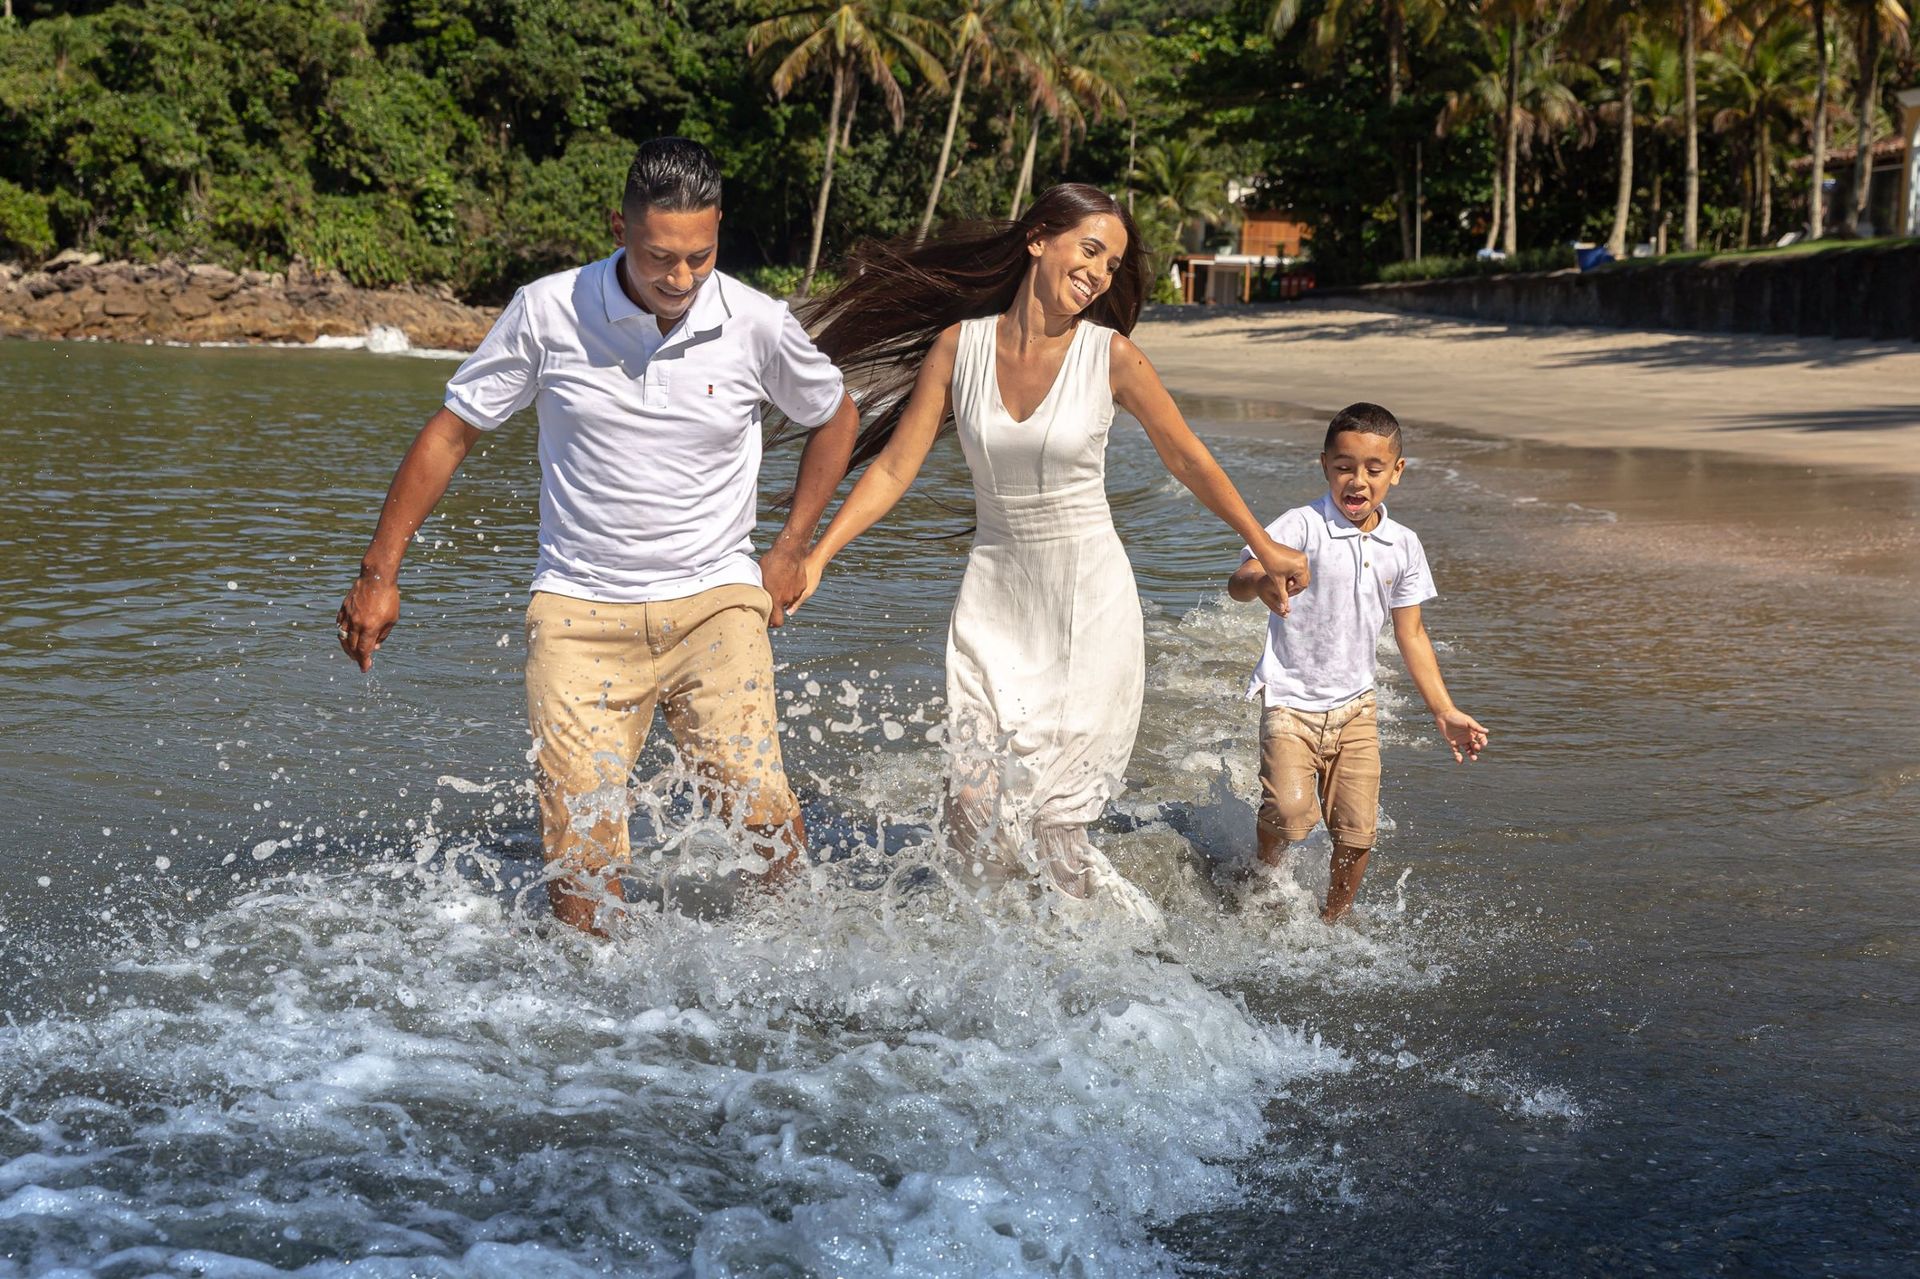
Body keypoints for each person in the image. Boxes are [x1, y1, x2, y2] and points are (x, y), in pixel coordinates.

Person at [336, 137, 860, 935]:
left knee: (758, 814)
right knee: (579, 848)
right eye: (659, 257)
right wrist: (380, 573)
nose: (680, 279)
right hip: (578, 612)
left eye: (700, 256)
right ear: (619, 226)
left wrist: (791, 546)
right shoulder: (548, 311)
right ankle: (594, 1026)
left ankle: (793, 966)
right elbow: (450, 433)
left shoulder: (755, 322)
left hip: (716, 603)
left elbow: (835, 413)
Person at [790, 184, 1309, 916]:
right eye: (1090, 250)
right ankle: (991, 968)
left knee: (1056, 829)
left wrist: (1265, 546)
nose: (1099, 273)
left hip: (1087, 605)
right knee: (972, 811)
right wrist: (818, 553)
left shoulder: (1112, 356)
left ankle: (1112, 962)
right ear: (1039, 239)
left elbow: (1188, 459)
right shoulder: (958, 346)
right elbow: (895, 468)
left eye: (1112, 263)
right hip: (994, 598)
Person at [1226, 403, 1488, 924]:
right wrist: (1262, 581)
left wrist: (1445, 710)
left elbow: (1411, 634)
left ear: (1397, 471)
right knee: (1292, 815)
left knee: (1356, 830)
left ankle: (1335, 919)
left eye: (1373, 468)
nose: (1357, 481)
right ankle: (1261, 877)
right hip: (1290, 702)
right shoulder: (1301, 525)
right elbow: (1239, 582)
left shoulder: (1403, 545)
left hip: (1356, 710)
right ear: (1324, 464)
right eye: (1344, 466)